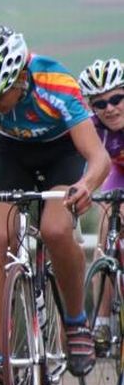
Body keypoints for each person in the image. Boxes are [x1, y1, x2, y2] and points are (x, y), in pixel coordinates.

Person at [0, 25, 109, 385]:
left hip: (62, 152)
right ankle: (4, 359)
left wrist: (86, 186)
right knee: (0, 239)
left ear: (20, 77)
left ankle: (76, 322)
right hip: (12, 153)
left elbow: (98, 158)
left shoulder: (56, 84)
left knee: (56, 230)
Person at [78, 58, 124, 351]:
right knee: (106, 228)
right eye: (100, 104)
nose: (110, 108)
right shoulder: (91, 128)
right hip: (118, 174)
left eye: (117, 99)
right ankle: (102, 322)